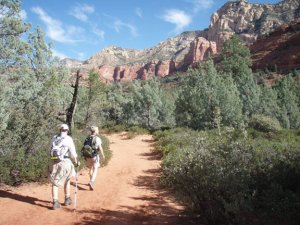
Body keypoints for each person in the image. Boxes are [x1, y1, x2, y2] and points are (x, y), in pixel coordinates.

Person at [48, 124, 80, 210]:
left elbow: (49, 149)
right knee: (67, 179)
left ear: (59, 130)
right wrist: (76, 162)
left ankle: (55, 201)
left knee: (55, 182)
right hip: (65, 162)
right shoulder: (68, 139)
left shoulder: (54, 137)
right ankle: (67, 198)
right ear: (67, 130)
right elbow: (73, 153)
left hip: (53, 162)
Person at [83, 126, 105, 191]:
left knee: (90, 169)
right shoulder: (97, 138)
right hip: (94, 156)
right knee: (95, 168)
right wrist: (103, 155)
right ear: (95, 131)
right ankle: (92, 181)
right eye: (97, 130)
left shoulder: (87, 138)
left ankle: (91, 181)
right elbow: (100, 147)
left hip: (87, 156)